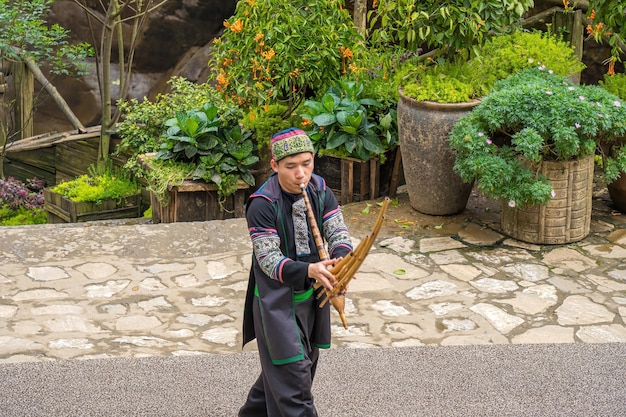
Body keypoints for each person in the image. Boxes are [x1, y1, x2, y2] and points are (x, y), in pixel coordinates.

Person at [239, 128, 353, 417]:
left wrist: (341, 262)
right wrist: (311, 269)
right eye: (291, 166)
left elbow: (338, 232)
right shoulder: (262, 204)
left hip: (312, 299)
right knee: (295, 389)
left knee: (285, 376)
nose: (301, 174)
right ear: (275, 165)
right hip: (275, 303)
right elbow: (268, 259)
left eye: (307, 163)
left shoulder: (320, 188)